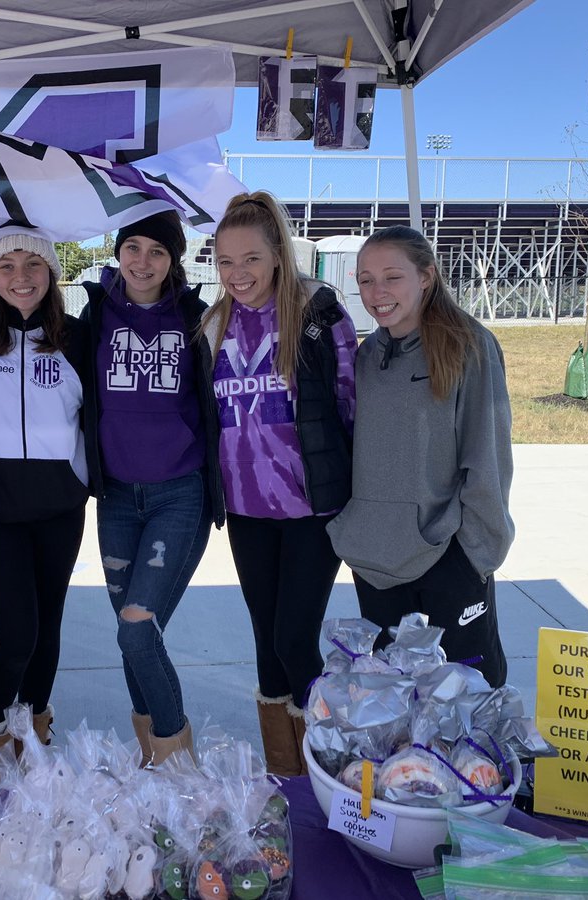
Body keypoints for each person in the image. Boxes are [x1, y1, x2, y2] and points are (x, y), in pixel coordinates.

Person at [201, 190, 358, 778]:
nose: (238, 274)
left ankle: (328, 766)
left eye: (251, 259)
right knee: (267, 646)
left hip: (309, 508)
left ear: (278, 256)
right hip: (245, 510)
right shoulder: (213, 324)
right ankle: (287, 780)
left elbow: (350, 405)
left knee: (296, 640)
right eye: (225, 262)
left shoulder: (318, 316)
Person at [327, 225, 513, 688]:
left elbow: (486, 455)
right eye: (365, 279)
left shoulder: (468, 345)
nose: (376, 292)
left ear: (426, 276)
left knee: (464, 694)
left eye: (392, 277)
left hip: (449, 554)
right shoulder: (366, 355)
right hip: (378, 561)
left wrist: (477, 553)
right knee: (393, 696)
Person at [80, 210, 223, 766]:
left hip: (177, 495)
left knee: (139, 633)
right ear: (118, 252)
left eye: (157, 251)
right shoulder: (94, 316)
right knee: (127, 637)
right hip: (117, 497)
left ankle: (180, 767)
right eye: (132, 248)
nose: (143, 261)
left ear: (174, 260)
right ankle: (154, 763)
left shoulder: (196, 317)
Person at [0, 234, 90, 790]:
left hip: (60, 508)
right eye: (6, 265)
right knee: (16, 636)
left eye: (34, 263)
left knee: (48, 628)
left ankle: (32, 735)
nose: (21, 276)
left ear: (53, 271)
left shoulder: (78, 337)